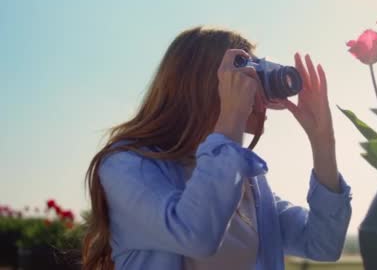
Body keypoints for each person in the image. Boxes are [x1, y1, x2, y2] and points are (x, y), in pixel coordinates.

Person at [82, 27, 352, 270]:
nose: (256, 90)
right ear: (207, 85)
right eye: (245, 75)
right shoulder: (126, 165)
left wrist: (323, 141)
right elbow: (196, 234)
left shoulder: (250, 184)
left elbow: (323, 244)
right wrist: (232, 115)